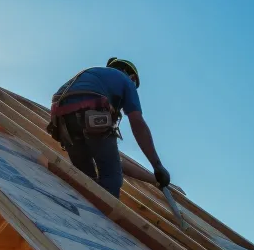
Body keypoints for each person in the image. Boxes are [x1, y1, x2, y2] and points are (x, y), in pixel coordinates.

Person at [48, 58, 170, 198]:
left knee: (86, 181)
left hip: (61, 121)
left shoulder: (92, 74)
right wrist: (157, 165)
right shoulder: (126, 81)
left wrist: (153, 179)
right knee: (111, 177)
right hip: (92, 111)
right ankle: (100, 217)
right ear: (133, 77)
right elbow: (137, 123)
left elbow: (115, 160)